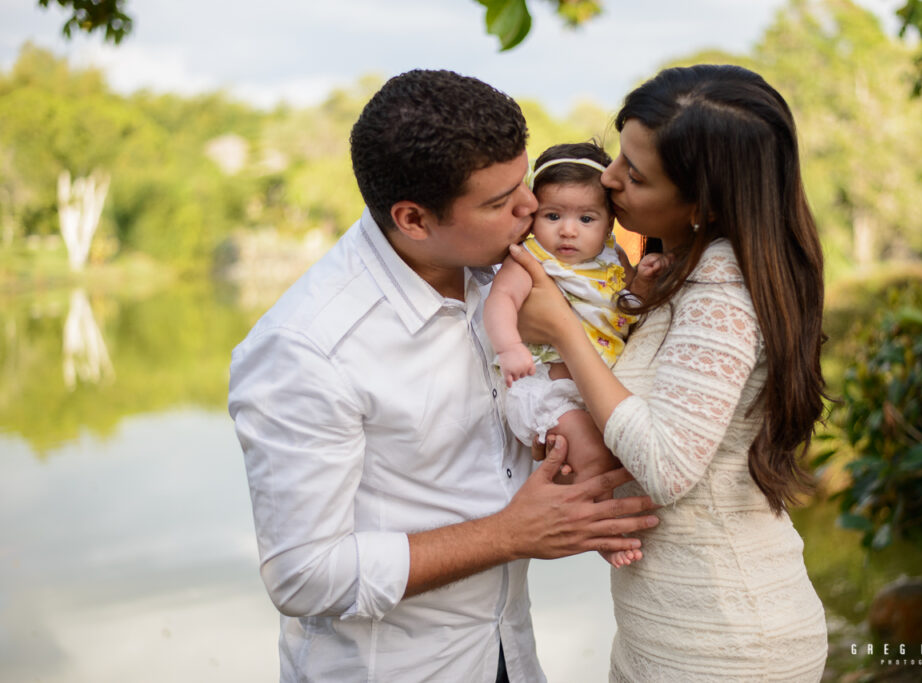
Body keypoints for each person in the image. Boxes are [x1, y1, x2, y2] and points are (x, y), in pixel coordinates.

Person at [227, 69, 658, 683]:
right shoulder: (307, 348)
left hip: (511, 649)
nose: (531, 208)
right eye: (498, 202)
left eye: (523, 183)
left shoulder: (506, 275)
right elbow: (304, 574)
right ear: (413, 219)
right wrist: (510, 534)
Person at [510, 64, 830, 681]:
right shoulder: (685, 268)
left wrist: (562, 330)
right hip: (669, 625)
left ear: (702, 201)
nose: (608, 178)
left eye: (634, 172)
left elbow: (665, 464)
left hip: (723, 641)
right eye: (618, 155)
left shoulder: (723, 288)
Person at [484, 141, 665, 570]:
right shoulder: (532, 258)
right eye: (553, 216)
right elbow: (500, 301)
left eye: (586, 218)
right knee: (590, 452)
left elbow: (622, 309)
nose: (568, 231)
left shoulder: (612, 258)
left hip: (594, 387)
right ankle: (601, 530)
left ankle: (602, 517)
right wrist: (509, 346)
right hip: (549, 389)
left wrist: (640, 285)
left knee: (613, 449)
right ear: (534, 217)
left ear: (607, 225)